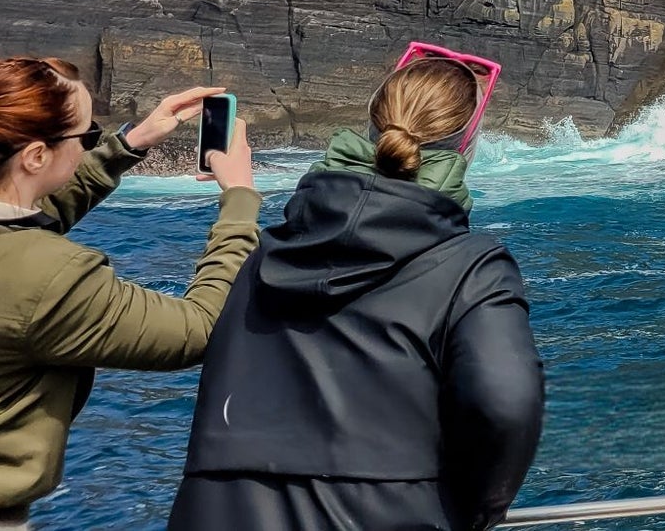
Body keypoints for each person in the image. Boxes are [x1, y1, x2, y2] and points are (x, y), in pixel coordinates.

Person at [168, 48, 544, 531]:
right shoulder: (474, 267)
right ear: (465, 148)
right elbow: (505, 400)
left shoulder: (262, 251)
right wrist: (477, 509)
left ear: (370, 126)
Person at [0, 60, 257, 529]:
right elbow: (198, 330)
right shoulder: (50, 278)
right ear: (36, 156)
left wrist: (129, 143)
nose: (92, 142)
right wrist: (240, 199)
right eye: (87, 135)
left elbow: (27, 216)